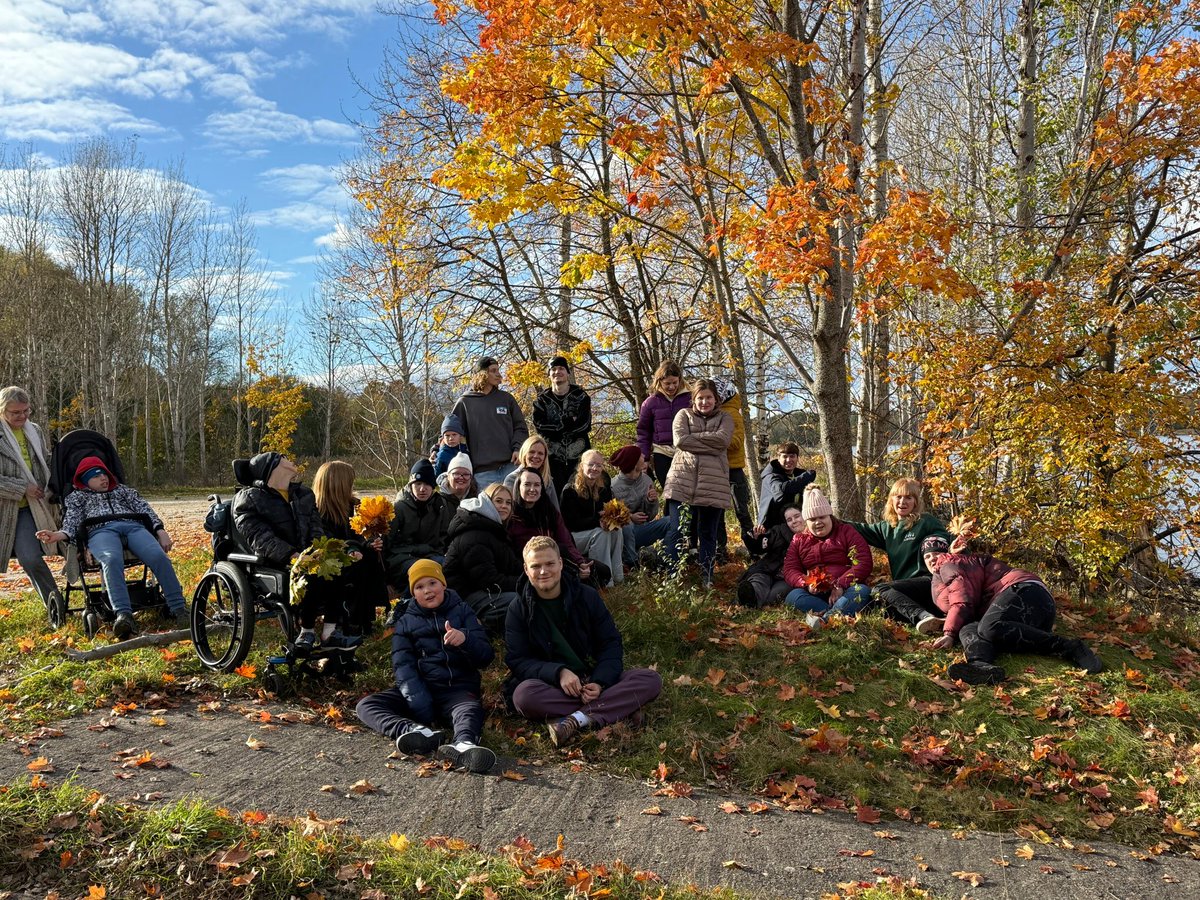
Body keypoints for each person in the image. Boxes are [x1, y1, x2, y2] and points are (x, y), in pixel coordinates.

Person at [505, 537, 662, 746]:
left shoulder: (587, 596)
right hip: (552, 686)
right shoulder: (518, 609)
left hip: (592, 679)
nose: (543, 571)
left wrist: (600, 682)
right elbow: (518, 660)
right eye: (536, 566)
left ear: (560, 563)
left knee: (650, 679)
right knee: (524, 696)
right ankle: (618, 710)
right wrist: (559, 672)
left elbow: (610, 643)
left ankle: (574, 720)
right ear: (526, 569)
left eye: (550, 563)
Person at [355, 560, 496, 774]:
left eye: (432, 583)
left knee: (469, 711)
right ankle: (415, 731)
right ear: (413, 593)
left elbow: (485, 657)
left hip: (457, 690)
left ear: (443, 585)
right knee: (366, 705)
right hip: (421, 690)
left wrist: (465, 639)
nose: (427, 590)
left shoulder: (463, 610)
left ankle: (464, 744)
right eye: (419, 587)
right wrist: (419, 702)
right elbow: (403, 666)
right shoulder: (405, 622)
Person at [37, 456, 189, 639]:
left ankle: (179, 609)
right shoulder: (77, 497)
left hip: (134, 526)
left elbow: (146, 510)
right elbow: (72, 522)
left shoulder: (124, 491)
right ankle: (123, 615)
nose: (103, 478)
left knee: (158, 556)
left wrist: (160, 531)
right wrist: (57, 535)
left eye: (104, 474)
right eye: (96, 476)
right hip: (100, 530)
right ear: (85, 481)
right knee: (111, 559)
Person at [921, 535, 1103, 685]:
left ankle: (1070, 647)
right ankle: (980, 665)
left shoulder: (952, 563)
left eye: (936, 553)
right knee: (969, 627)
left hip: (1027, 592)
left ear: (947, 552)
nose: (932, 559)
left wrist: (949, 633)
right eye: (927, 556)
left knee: (989, 627)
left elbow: (962, 598)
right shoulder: (939, 578)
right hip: (1018, 617)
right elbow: (965, 604)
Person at [230, 452, 362, 652]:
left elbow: (315, 527)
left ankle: (330, 632)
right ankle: (306, 631)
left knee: (336, 565)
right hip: (274, 560)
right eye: (282, 457)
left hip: (306, 553)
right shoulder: (248, 499)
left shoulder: (303, 494)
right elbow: (260, 538)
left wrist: (319, 551)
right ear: (272, 467)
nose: (289, 459)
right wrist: (294, 556)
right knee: (311, 572)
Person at [847, 477, 951, 633]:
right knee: (874, 605)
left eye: (908, 497)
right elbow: (860, 529)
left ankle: (923, 616)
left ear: (915, 502)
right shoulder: (886, 528)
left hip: (929, 583)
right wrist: (830, 519)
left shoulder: (925, 521)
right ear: (891, 500)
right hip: (903, 591)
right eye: (898, 497)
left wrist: (954, 546)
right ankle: (932, 621)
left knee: (880, 589)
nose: (902, 502)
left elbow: (947, 540)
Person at [662, 378, 733, 587]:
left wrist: (694, 439)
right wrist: (710, 443)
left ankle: (706, 577)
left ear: (716, 399)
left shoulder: (725, 418)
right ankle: (673, 576)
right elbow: (680, 440)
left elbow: (723, 441)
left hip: (713, 483)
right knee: (676, 529)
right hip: (681, 481)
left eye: (708, 397)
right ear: (693, 399)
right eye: (700, 398)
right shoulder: (683, 415)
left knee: (708, 533)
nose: (704, 402)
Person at [0, 386, 60, 613]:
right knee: (30, 558)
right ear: (2, 411)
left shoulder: (34, 430)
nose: (22, 416)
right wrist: (22, 487)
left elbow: (44, 459)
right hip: (8, 509)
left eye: (26, 411)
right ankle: (55, 605)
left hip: (38, 506)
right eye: (16, 412)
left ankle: (61, 604)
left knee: (35, 557)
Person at [312, 460, 388, 635]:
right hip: (331, 558)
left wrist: (371, 542)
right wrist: (353, 549)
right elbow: (327, 541)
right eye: (350, 483)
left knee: (370, 559)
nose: (352, 487)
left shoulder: (354, 506)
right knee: (357, 567)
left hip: (355, 553)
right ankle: (349, 618)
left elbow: (360, 535)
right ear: (339, 485)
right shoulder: (318, 512)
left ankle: (363, 618)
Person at [781, 485, 873, 628]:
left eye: (822, 517)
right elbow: (790, 569)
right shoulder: (798, 539)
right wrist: (807, 583)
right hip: (815, 592)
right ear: (806, 521)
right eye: (812, 519)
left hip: (845, 589)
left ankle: (825, 619)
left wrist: (840, 584)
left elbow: (863, 562)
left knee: (862, 591)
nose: (818, 522)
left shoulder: (846, 531)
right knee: (792, 597)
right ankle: (835, 614)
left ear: (829, 516)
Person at [443, 482, 523, 635]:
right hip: (464, 596)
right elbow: (488, 581)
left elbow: (511, 564)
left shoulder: (493, 529)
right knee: (517, 600)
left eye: (508, 503)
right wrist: (524, 583)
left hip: (481, 589)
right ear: (487, 502)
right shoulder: (475, 533)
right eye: (498, 501)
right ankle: (479, 626)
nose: (504, 506)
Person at [506, 467, 597, 584]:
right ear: (518, 487)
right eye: (527, 484)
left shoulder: (548, 511)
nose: (532, 489)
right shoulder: (511, 516)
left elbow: (566, 540)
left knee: (600, 570)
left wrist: (580, 562)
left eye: (537, 485)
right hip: (532, 566)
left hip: (555, 558)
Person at [450, 356, 529, 489]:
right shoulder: (465, 402)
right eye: (493, 371)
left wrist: (518, 448)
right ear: (482, 374)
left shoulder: (507, 399)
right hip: (483, 473)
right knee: (487, 504)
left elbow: (520, 427)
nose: (499, 374)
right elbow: (450, 431)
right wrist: (436, 450)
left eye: (498, 370)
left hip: (511, 467)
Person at [559, 450, 625, 586]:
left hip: (594, 530)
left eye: (599, 465)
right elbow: (571, 523)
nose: (595, 468)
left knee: (616, 531)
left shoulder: (603, 487)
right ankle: (603, 581)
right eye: (591, 464)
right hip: (573, 537)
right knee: (601, 534)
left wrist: (611, 519)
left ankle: (618, 577)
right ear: (582, 465)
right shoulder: (570, 490)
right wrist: (597, 521)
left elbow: (608, 509)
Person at [386, 459, 453, 592]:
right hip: (402, 557)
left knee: (449, 569)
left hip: (431, 554)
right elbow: (387, 542)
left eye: (427, 484)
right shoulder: (398, 507)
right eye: (418, 484)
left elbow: (444, 536)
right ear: (411, 485)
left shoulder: (440, 506)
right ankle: (406, 603)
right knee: (422, 571)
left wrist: (439, 553)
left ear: (433, 487)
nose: (422, 489)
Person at [533, 356, 592, 491]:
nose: (557, 372)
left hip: (579, 456)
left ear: (567, 373)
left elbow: (585, 425)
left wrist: (553, 428)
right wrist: (567, 424)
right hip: (552, 458)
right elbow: (540, 427)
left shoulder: (581, 396)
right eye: (553, 369)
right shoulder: (542, 400)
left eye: (561, 368)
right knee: (554, 492)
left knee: (580, 491)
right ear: (549, 374)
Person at [608, 445, 670, 568]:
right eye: (640, 455)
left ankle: (662, 559)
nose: (644, 456)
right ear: (633, 463)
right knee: (626, 524)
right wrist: (630, 517)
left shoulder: (647, 480)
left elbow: (650, 516)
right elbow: (612, 517)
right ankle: (631, 563)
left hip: (642, 530)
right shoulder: (613, 486)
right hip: (624, 535)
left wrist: (650, 501)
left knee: (671, 521)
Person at [712, 377, 754, 558]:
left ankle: (753, 548)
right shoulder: (715, 413)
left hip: (734, 470)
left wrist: (714, 440)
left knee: (741, 511)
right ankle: (720, 550)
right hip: (717, 470)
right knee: (717, 512)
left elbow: (736, 442)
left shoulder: (732, 414)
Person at [736, 505, 805, 608]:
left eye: (797, 516)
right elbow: (760, 547)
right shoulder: (779, 531)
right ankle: (749, 596)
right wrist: (757, 538)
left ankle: (753, 602)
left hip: (788, 578)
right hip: (767, 570)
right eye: (789, 520)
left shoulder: (812, 535)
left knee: (775, 594)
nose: (794, 521)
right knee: (757, 582)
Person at [636, 360, 691, 486]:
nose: (671, 387)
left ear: (680, 380)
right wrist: (644, 458)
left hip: (685, 452)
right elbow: (643, 432)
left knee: (686, 490)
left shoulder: (690, 399)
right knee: (668, 489)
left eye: (674, 382)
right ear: (659, 381)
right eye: (667, 383)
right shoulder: (650, 403)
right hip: (662, 453)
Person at [755, 442, 817, 533]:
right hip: (775, 527)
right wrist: (807, 476)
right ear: (778, 458)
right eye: (785, 456)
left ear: (797, 458)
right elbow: (782, 491)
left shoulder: (798, 474)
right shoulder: (771, 476)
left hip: (796, 523)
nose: (788, 460)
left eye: (792, 456)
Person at [503, 435, 561, 509]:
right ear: (524, 454)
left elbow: (556, 511)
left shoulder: (547, 480)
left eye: (540, 453)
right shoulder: (511, 479)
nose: (535, 456)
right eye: (532, 452)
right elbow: (508, 510)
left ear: (544, 458)